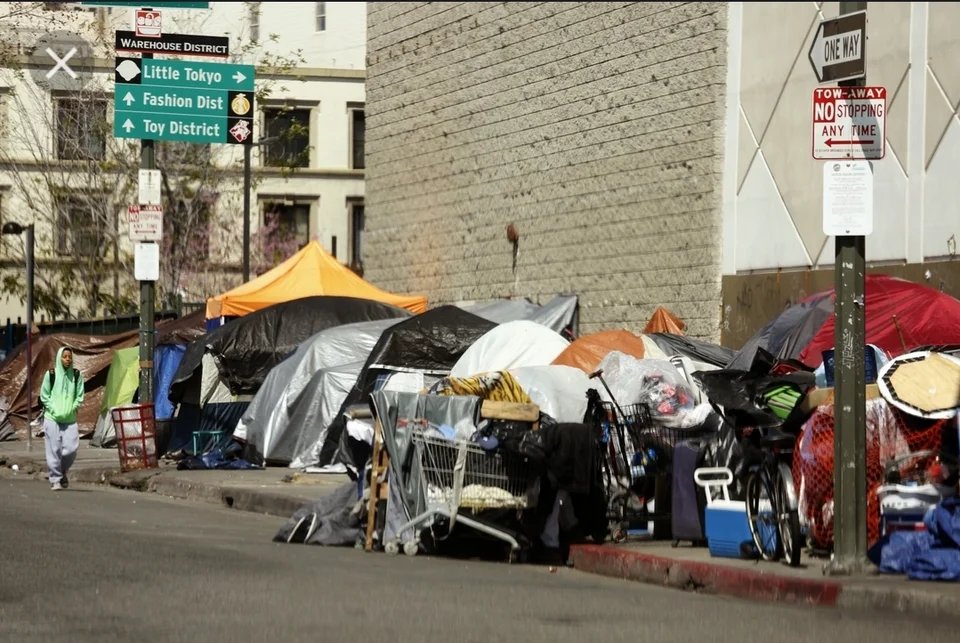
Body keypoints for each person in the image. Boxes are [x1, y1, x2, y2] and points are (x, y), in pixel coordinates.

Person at [39, 347, 84, 491]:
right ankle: (55, 479)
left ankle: (62, 471)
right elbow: (44, 395)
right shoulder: (51, 374)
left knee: (71, 449)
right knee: (54, 450)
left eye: (69, 357)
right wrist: (53, 409)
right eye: (64, 357)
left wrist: (73, 407)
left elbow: (80, 395)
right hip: (52, 418)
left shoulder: (76, 375)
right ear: (59, 358)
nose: (67, 359)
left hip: (70, 419)